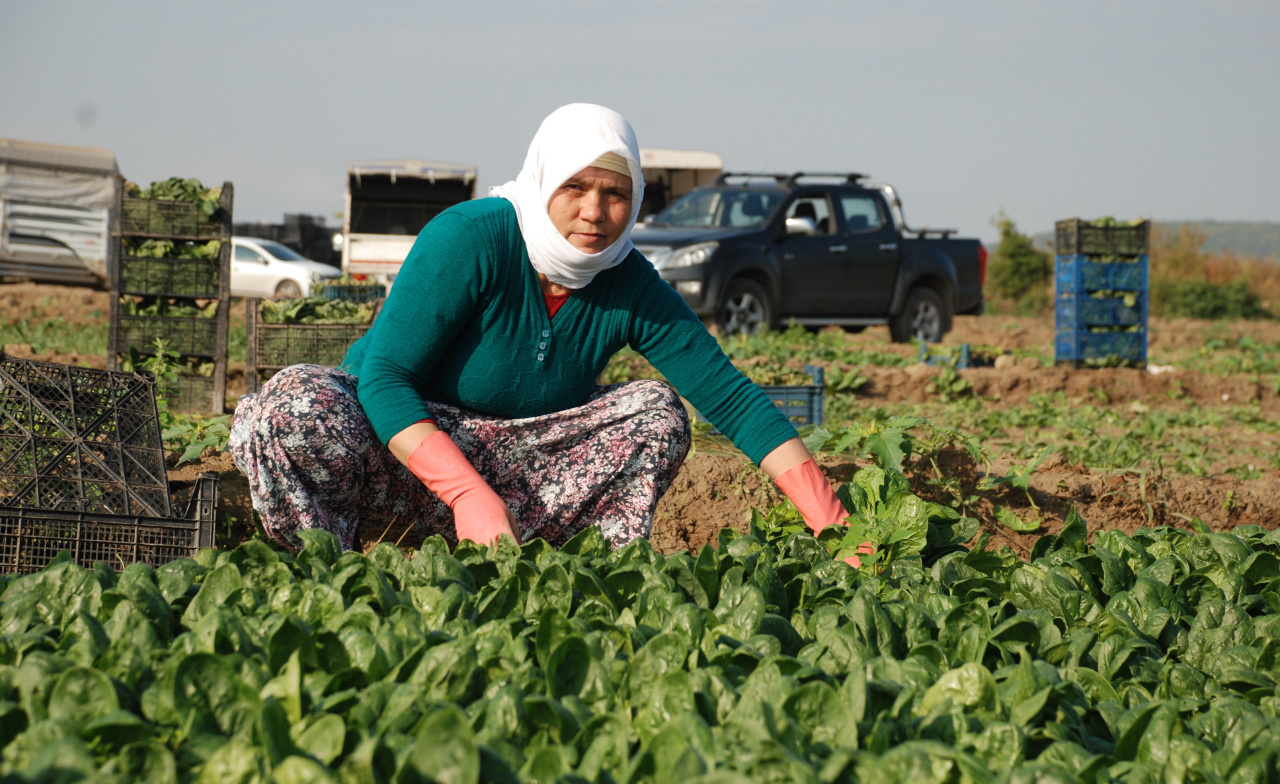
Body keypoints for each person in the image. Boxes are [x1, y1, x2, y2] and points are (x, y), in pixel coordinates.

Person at [230, 103, 866, 563]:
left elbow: (728, 398)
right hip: (400, 448)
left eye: (616, 193)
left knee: (656, 414)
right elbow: (385, 378)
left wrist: (832, 525)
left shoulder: (628, 282)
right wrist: (465, 493)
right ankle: (328, 565)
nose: (595, 211)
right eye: (576, 187)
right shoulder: (474, 238)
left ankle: (572, 570)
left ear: (637, 199)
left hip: (520, 468)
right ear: (542, 181)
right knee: (290, 407)